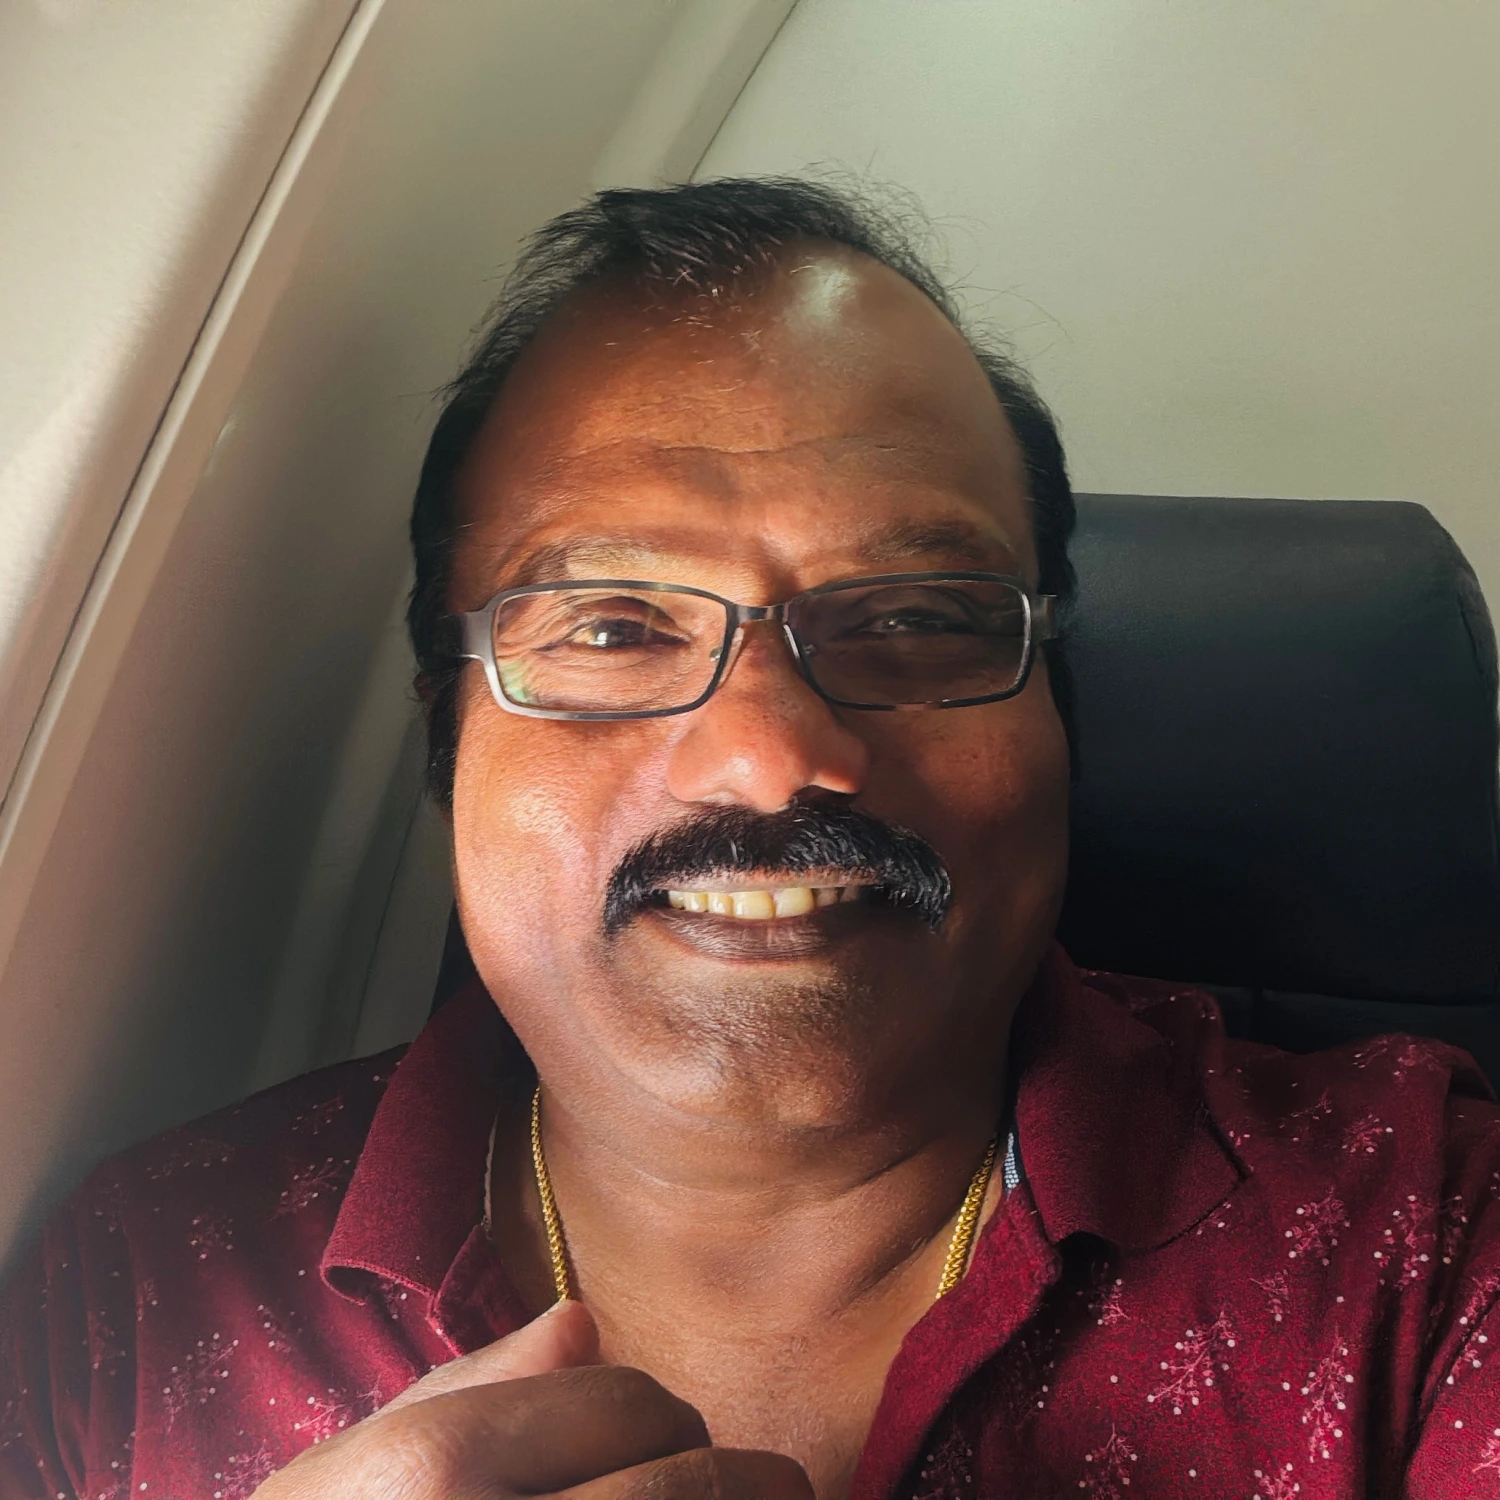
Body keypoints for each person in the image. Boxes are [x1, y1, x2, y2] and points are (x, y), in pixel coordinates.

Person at [2, 178, 1498, 1500]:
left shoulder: (1425, 1238)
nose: (776, 758)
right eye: (611, 626)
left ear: (1058, 704)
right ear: (442, 726)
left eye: (916, 618)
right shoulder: (134, 1300)